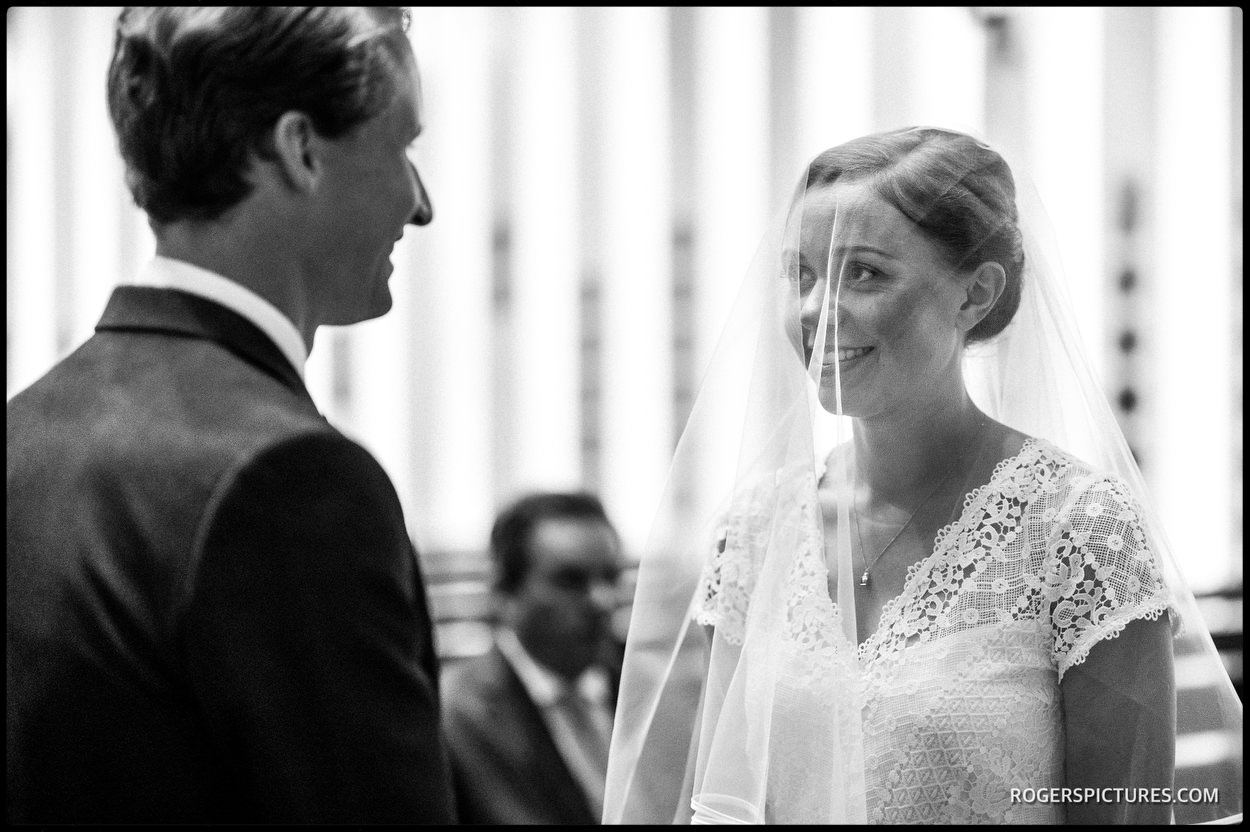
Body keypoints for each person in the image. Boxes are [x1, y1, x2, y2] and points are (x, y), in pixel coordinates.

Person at [603, 127, 1243, 824]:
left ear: (974, 295)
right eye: (802, 274)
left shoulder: (1080, 530)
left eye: (865, 273)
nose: (816, 311)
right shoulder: (755, 530)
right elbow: (724, 804)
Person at [6, 7, 455, 824]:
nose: (420, 203)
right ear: (301, 150)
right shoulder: (288, 480)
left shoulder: (21, 432)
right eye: (402, 148)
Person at [442, 491, 628, 824]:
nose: (602, 600)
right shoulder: (457, 712)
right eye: (571, 581)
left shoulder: (651, 691)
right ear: (505, 591)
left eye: (611, 578)